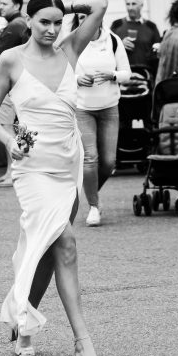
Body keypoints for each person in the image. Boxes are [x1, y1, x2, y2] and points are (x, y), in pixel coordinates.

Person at [0, 0, 107, 356]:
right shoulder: (12, 59)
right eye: (44, 22)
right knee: (65, 242)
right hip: (32, 169)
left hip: (67, 164)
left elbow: (99, 6)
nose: (52, 30)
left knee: (49, 250)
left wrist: (67, 7)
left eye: (57, 21)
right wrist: (8, 139)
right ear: (28, 20)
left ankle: (23, 323)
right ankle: (83, 345)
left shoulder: (69, 50)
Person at [73, 12, 132, 227]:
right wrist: (78, 79)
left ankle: (89, 191)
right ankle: (94, 207)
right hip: (83, 109)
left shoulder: (113, 40)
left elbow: (127, 73)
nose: (83, 22)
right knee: (90, 158)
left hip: (109, 108)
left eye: (87, 17)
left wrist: (112, 74)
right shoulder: (73, 42)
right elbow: (60, 74)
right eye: (79, 18)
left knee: (108, 163)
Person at [0, 0, 30, 186]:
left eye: (4, 4)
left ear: (17, 6)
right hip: (11, 83)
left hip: (9, 84)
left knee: (6, 127)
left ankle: (15, 173)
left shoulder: (16, 26)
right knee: (8, 126)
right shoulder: (17, 25)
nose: (1, 7)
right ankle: (10, 171)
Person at [110, 0, 161, 77]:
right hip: (122, 75)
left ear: (141, 5)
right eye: (128, 4)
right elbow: (107, 50)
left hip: (146, 75)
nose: (130, 8)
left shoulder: (151, 27)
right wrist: (120, 45)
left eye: (133, 4)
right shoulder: (117, 25)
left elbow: (157, 54)